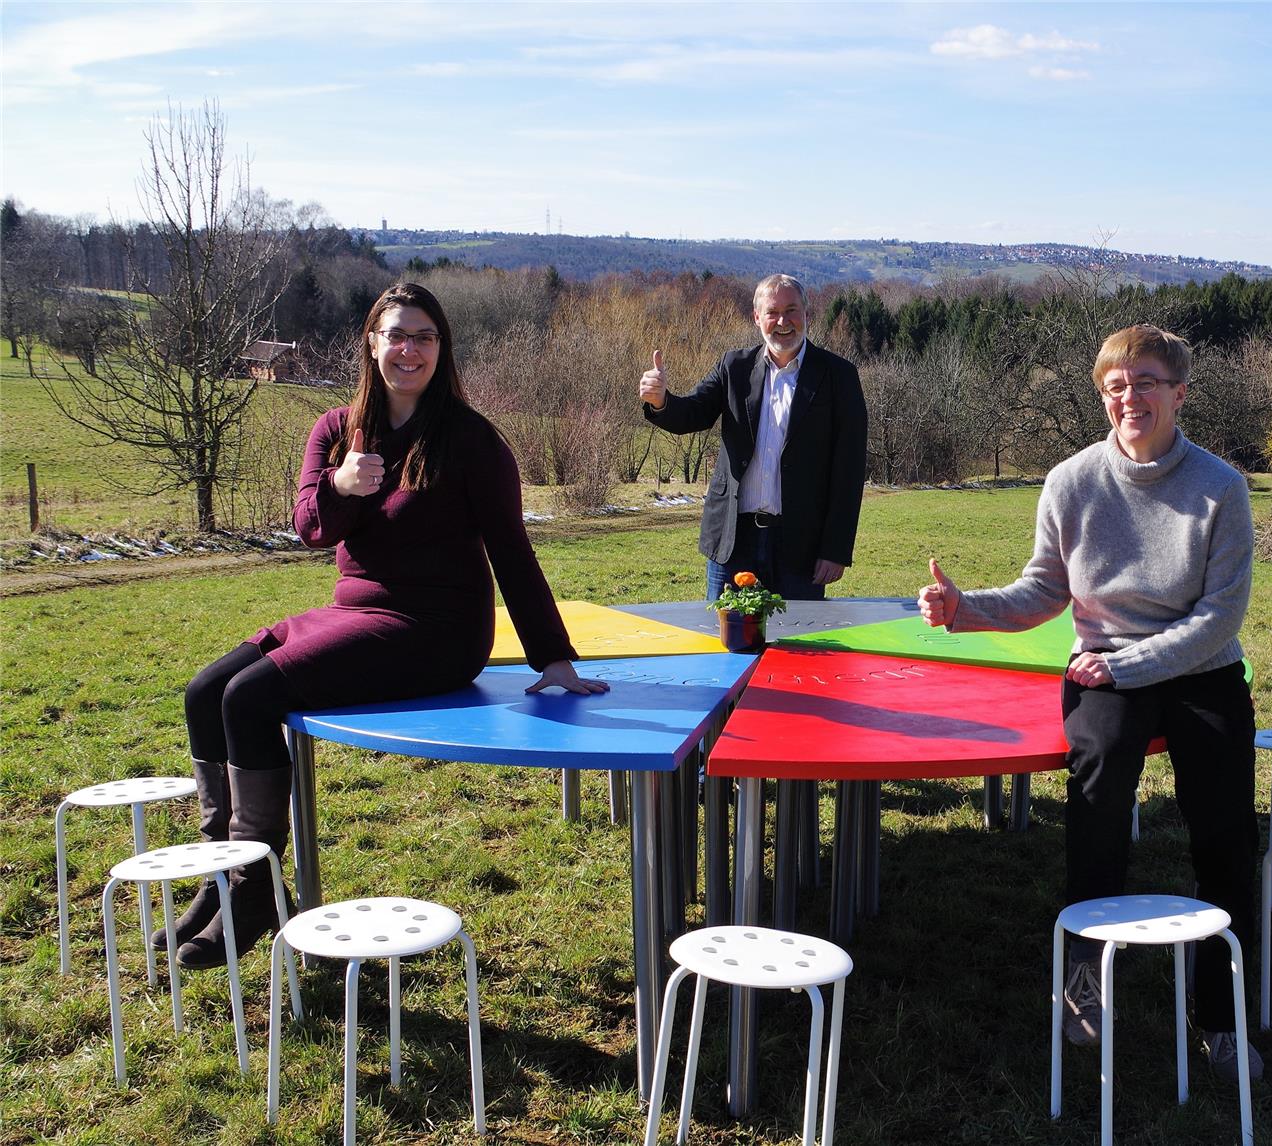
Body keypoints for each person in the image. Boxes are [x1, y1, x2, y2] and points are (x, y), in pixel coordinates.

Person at [157, 282, 608, 969]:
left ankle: (254, 889)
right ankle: (224, 871)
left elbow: (512, 550)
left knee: (250, 698)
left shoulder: (470, 440)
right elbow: (310, 528)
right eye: (397, 334)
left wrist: (552, 655)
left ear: (441, 349)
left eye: (425, 337)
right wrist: (340, 487)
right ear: (371, 342)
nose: (410, 349)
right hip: (353, 613)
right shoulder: (336, 431)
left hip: (437, 630)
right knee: (203, 692)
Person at [917, 324, 1262, 1081]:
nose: (1130, 397)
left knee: (1227, 836)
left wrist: (1135, 665)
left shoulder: (1220, 487)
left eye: (1145, 382)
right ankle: (1086, 988)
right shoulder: (1072, 481)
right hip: (1103, 666)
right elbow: (1044, 588)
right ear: (1102, 397)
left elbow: (1219, 618)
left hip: (1200, 669)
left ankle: (1223, 1017)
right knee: (1097, 805)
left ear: (1178, 392)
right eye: (1115, 386)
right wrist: (963, 608)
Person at [638, 273, 867, 601]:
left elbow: (849, 469)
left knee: (797, 649)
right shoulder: (734, 367)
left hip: (801, 545)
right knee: (727, 645)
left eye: (791, 310)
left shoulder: (839, 376)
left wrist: (835, 549)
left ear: (806, 314)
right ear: (757, 317)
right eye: (772, 312)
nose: (783, 321)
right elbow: (693, 413)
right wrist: (661, 401)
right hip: (733, 541)